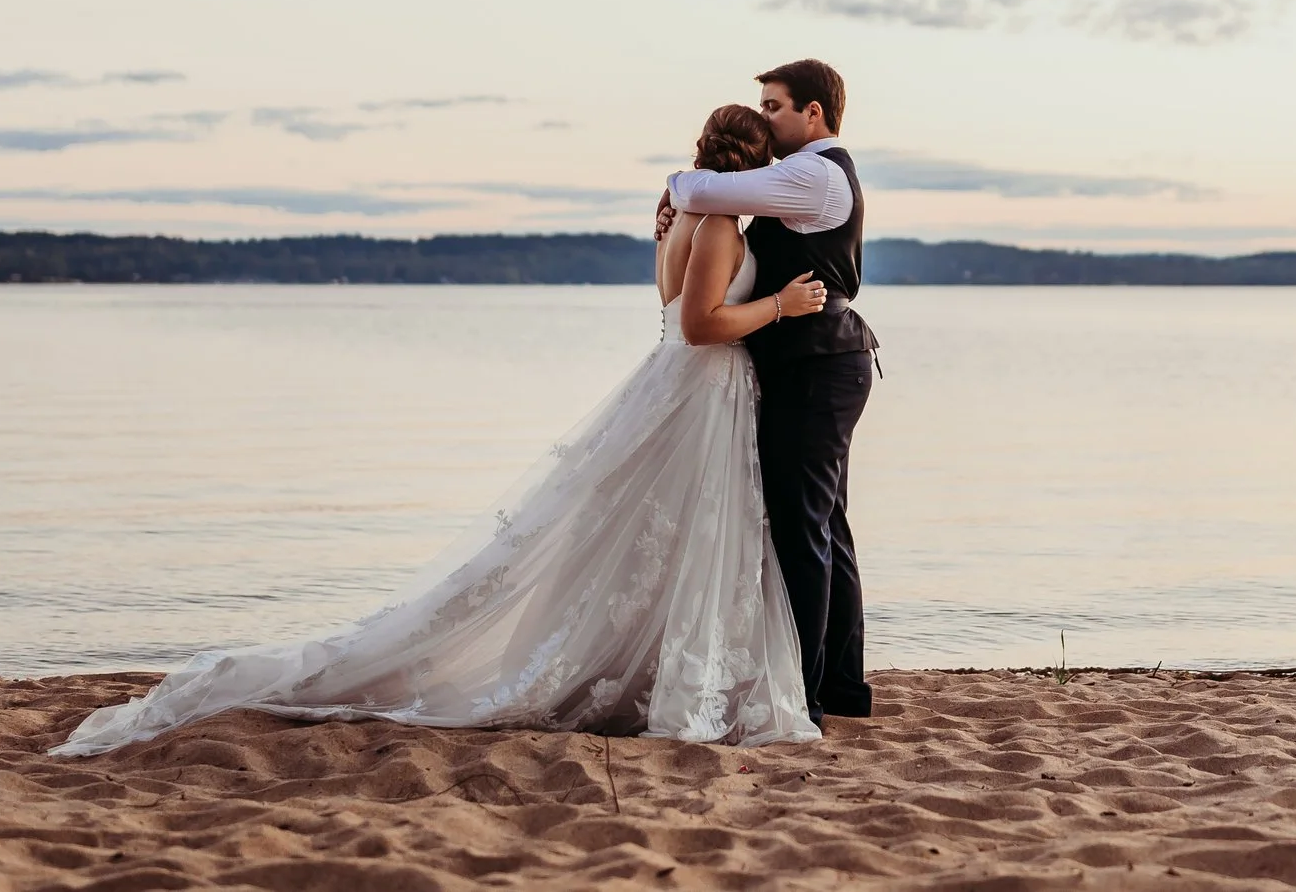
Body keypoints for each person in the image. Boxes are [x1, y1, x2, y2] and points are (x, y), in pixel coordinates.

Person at [50, 103, 828, 755]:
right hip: (699, 387)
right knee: (684, 534)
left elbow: (664, 301)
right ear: (750, 161)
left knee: (659, 537)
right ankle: (662, 676)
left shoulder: (684, 216)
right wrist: (780, 307)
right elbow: (696, 324)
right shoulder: (720, 219)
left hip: (684, 391)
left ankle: (650, 665)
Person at [659, 58, 878, 724]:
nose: (770, 118)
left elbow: (701, 189)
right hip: (808, 365)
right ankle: (839, 686)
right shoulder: (788, 181)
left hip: (820, 365)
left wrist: (674, 186)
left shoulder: (812, 173)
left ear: (814, 113)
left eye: (777, 105)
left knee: (803, 527)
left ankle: (809, 691)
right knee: (820, 524)